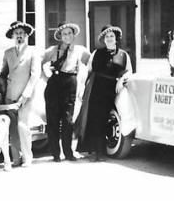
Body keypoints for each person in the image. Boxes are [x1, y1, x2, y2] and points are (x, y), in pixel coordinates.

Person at [74, 25, 133, 161]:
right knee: (94, 119)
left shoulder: (123, 54)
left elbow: (129, 70)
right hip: (96, 87)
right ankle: (95, 152)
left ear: (116, 38)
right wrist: (82, 86)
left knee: (105, 120)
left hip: (112, 89)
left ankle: (102, 151)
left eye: (112, 36)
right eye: (107, 37)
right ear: (103, 39)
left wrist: (121, 80)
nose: (109, 39)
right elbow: (88, 70)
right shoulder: (97, 53)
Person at [41, 23, 92, 162]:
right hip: (54, 85)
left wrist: (84, 81)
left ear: (73, 35)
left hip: (70, 83)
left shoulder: (80, 50)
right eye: (64, 34)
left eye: (69, 33)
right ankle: (55, 154)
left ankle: (68, 152)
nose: (67, 36)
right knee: (53, 121)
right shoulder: (52, 50)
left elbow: (92, 62)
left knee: (68, 120)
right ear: (60, 36)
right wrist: (45, 75)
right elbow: (38, 61)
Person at [0, 21, 41, 167]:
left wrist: (26, 94)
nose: (20, 36)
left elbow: (35, 75)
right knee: (12, 127)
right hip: (10, 95)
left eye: (22, 33)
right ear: (12, 36)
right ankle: (15, 158)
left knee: (23, 125)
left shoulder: (33, 51)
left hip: (25, 95)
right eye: (17, 34)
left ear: (27, 35)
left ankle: (27, 157)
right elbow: (3, 74)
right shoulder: (8, 53)